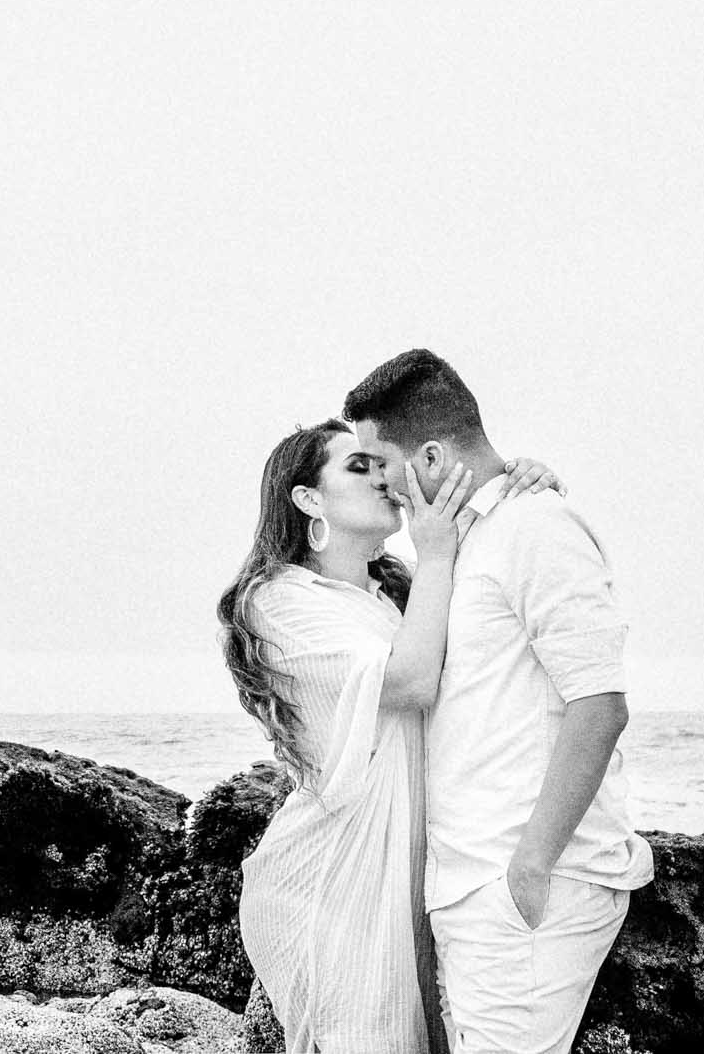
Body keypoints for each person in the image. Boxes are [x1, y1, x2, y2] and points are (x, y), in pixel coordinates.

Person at [218, 419, 560, 1054]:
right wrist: (436, 554)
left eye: (382, 463)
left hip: (424, 867)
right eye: (358, 467)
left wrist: (514, 490)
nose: (382, 476)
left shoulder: (398, 596)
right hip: (334, 879)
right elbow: (409, 682)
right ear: (308, 499)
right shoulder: (277, 601)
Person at [345, 350, 651, 1054]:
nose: (379, 481)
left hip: (522, 891)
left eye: (381, 462)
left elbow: (600, 704)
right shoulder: (460, 543)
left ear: (429, 455)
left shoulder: (537, 527)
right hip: (468, 887)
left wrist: (529, 871)